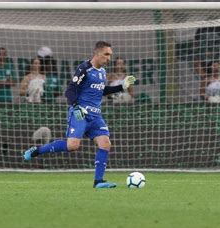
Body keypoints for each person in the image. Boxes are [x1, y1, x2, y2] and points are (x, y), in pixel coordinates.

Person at [23, 41, 136, 188]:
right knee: (72, 145)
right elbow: (70, 90)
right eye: (107, 54)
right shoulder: (84, 69)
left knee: (105, 143)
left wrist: (122, 87)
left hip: (95, 116)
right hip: (80, 113)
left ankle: (98, 181)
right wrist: (75, 107)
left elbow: (101, 91)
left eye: (110, 55)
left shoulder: (102, 72)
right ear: (97, 53)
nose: (109, 58)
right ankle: (37, 151)